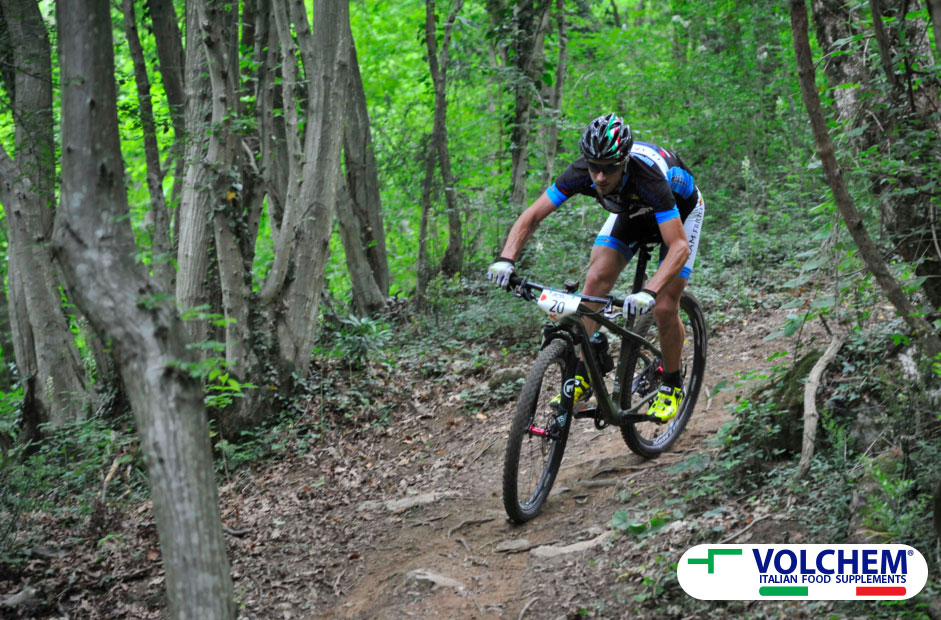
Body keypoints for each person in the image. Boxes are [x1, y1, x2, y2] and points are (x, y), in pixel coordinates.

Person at [487, 113, 704, 422]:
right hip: (631, 210)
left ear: (625, 162)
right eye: (594, 168)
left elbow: (679, 247)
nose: (600, 178)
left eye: (609, 169)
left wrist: (649, 291)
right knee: (597, 278)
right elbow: (532, 216)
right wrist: (507, 258)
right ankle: (583, 373)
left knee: (664, 305)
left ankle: (671, 383)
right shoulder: (582, 171)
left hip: (678, 214)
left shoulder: (649, 178)